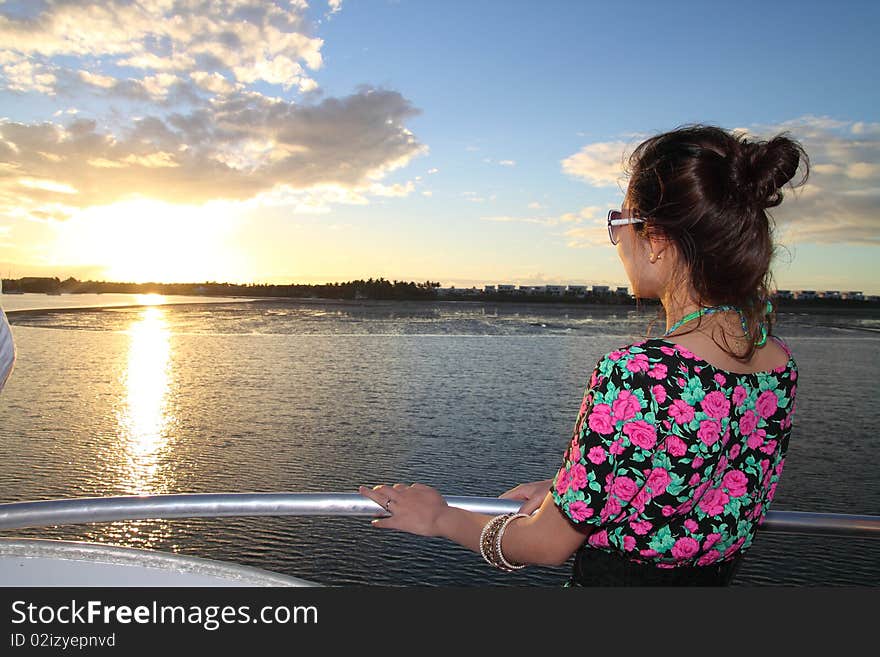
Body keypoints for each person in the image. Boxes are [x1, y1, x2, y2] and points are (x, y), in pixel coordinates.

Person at [359, 125, 808, 585]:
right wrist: (566, 493)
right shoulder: (777, 364)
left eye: (621, 223)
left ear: (653, 239)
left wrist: (440, 518)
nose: (619, 243)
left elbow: (545, 545)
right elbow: (687, 482)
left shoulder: (640, 374)